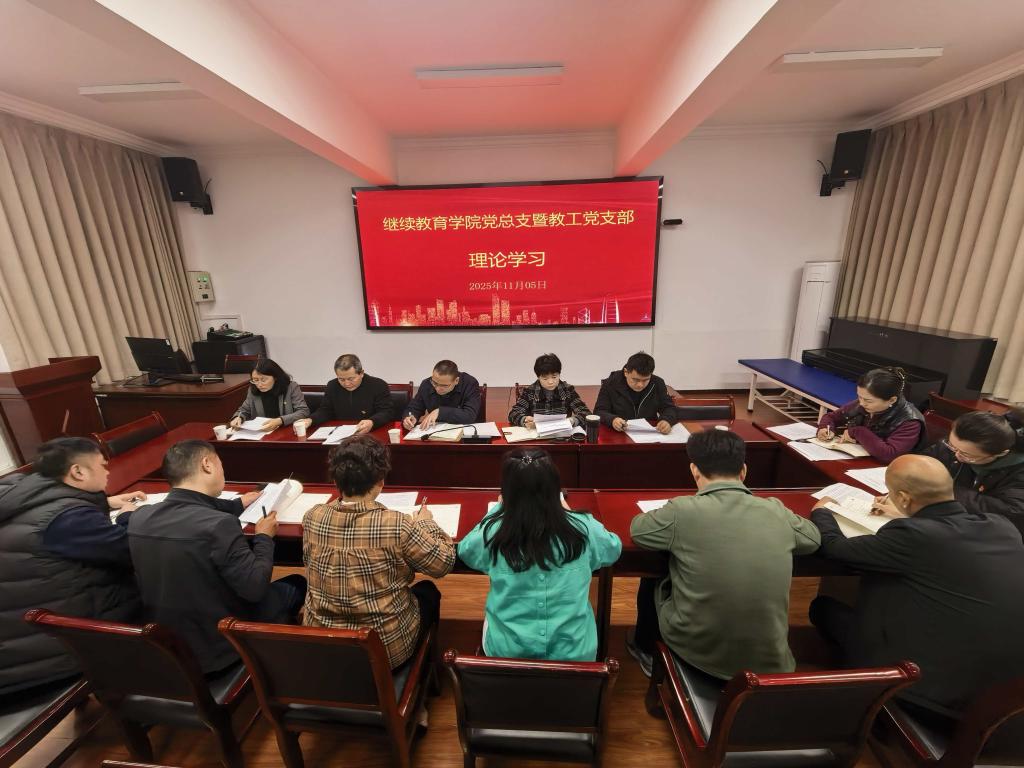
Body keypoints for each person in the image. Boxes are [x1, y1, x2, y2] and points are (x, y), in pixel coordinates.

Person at [810, 454, 1024, 722]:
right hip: (1007, 697)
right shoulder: (1003, 527)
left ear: (903, 498)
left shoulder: (913, 535)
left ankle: (857, 706)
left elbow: (836, 548)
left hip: (931, 696)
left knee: (824, 609)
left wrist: (822, 512)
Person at [627, 429, 820, 679]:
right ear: (744, 471)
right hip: (771, 662)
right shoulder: (776, 510)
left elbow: (638, 530)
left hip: (697, 654)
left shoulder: (682, 510)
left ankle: (646, 650)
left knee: (654, 571)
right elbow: (813, 540)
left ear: (694, 470)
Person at [128, 440, 306, 674]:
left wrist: (237, 504)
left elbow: (188, 506)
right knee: (296, 583)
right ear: (207, 464)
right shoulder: (219, 525)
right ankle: (278, 663)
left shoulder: (139, 517)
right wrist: (264, 537)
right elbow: (255, 588)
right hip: (220, 647)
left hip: (167, 646)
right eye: (220, 463)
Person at [0, 438, 143, 696]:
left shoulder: (20, 490)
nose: (107, 472)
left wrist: (105, 502)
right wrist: (127, 516)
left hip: (18, 639)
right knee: (161, 591)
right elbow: (131, 549)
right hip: (50, 653)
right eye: (103, 466)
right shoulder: (67, 519)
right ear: (78, 472)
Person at [303, 436, 455, 669]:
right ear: (381, 480)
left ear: (335, 481)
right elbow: (444, 563)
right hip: (384, 650)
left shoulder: (313, 517)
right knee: (428, 591)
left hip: (325, 645)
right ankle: (425, 673)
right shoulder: (396, 524)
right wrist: (425, 523)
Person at [458, 449, 620, 660]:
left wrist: (498, 509)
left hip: (507, 654)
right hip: (575, 656)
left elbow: (466, 551)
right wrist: (569, 513)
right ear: (555, 490)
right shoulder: (583, 528)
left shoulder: (494, 531)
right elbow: (613, 549)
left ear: (507, 493)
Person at [917, 408, 1024, 534]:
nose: (956, 455)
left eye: (966, 455)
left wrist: (944, 489)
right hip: (943, 518)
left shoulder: (1018, 472)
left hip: (983, 531)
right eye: (951, 445)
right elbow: (922, 462)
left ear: (1001, 453)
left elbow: (1012, 513)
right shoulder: (960, 445)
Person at [816, 367, 925, 463]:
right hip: (856, 460)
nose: (861, 403)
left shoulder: (910, 421)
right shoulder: (863, 404)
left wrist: (857, 432)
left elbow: (889, 454)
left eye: (868, 400)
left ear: (892, 400)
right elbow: (831, 417)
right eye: (859, 397)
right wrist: (825, 428)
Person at [296, 354, 394, 435]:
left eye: (351, 379)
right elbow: (325, 410)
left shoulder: (378, 385)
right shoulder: (332, 386)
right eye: (341, 379)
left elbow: (386, 412)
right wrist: (310, 420)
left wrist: (372, 422)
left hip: (370, 433)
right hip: (339, 434)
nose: (346, 384)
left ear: (361, 373)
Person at [595, 352, 678, 435]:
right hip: (619, 433)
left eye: (645, 380)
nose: (640, 385)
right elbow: (599, 411)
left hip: (649, 433)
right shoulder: (610, 383)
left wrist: (667, 420)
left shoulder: (658, 383)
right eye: (635, 380)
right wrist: (612, 420)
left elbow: (669, 408)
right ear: (626, 372)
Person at [507, 353, 592, 428]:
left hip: (562, 434)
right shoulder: (530, 392)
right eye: (545, 378)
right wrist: (525, 419)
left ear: (559, 374)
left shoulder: (568, 390)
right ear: (538, 377)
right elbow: (513, 414)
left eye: (554, 377)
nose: (550, 382)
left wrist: (572, 421)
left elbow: (586, 413)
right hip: (537, 433)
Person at [229, 358, 309, 432]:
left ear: (275, 377)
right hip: (262, 434)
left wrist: (280, 420)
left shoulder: (291, 387)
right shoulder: (253, 390)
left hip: (286, 432)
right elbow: (244, 410)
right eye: (255, 380)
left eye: (263, 380)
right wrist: (238, 418)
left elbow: (303, 411)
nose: (259, 384)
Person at [402, 360, 481, 430]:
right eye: (435, 383)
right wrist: (409, 418)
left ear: (456, 381)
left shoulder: (469, 383)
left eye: (444, 385)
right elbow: (414, 408)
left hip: (464, 432)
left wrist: (440, 412)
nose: (438, 389)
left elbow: (469, 415)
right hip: (435, 431)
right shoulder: (426, 384)